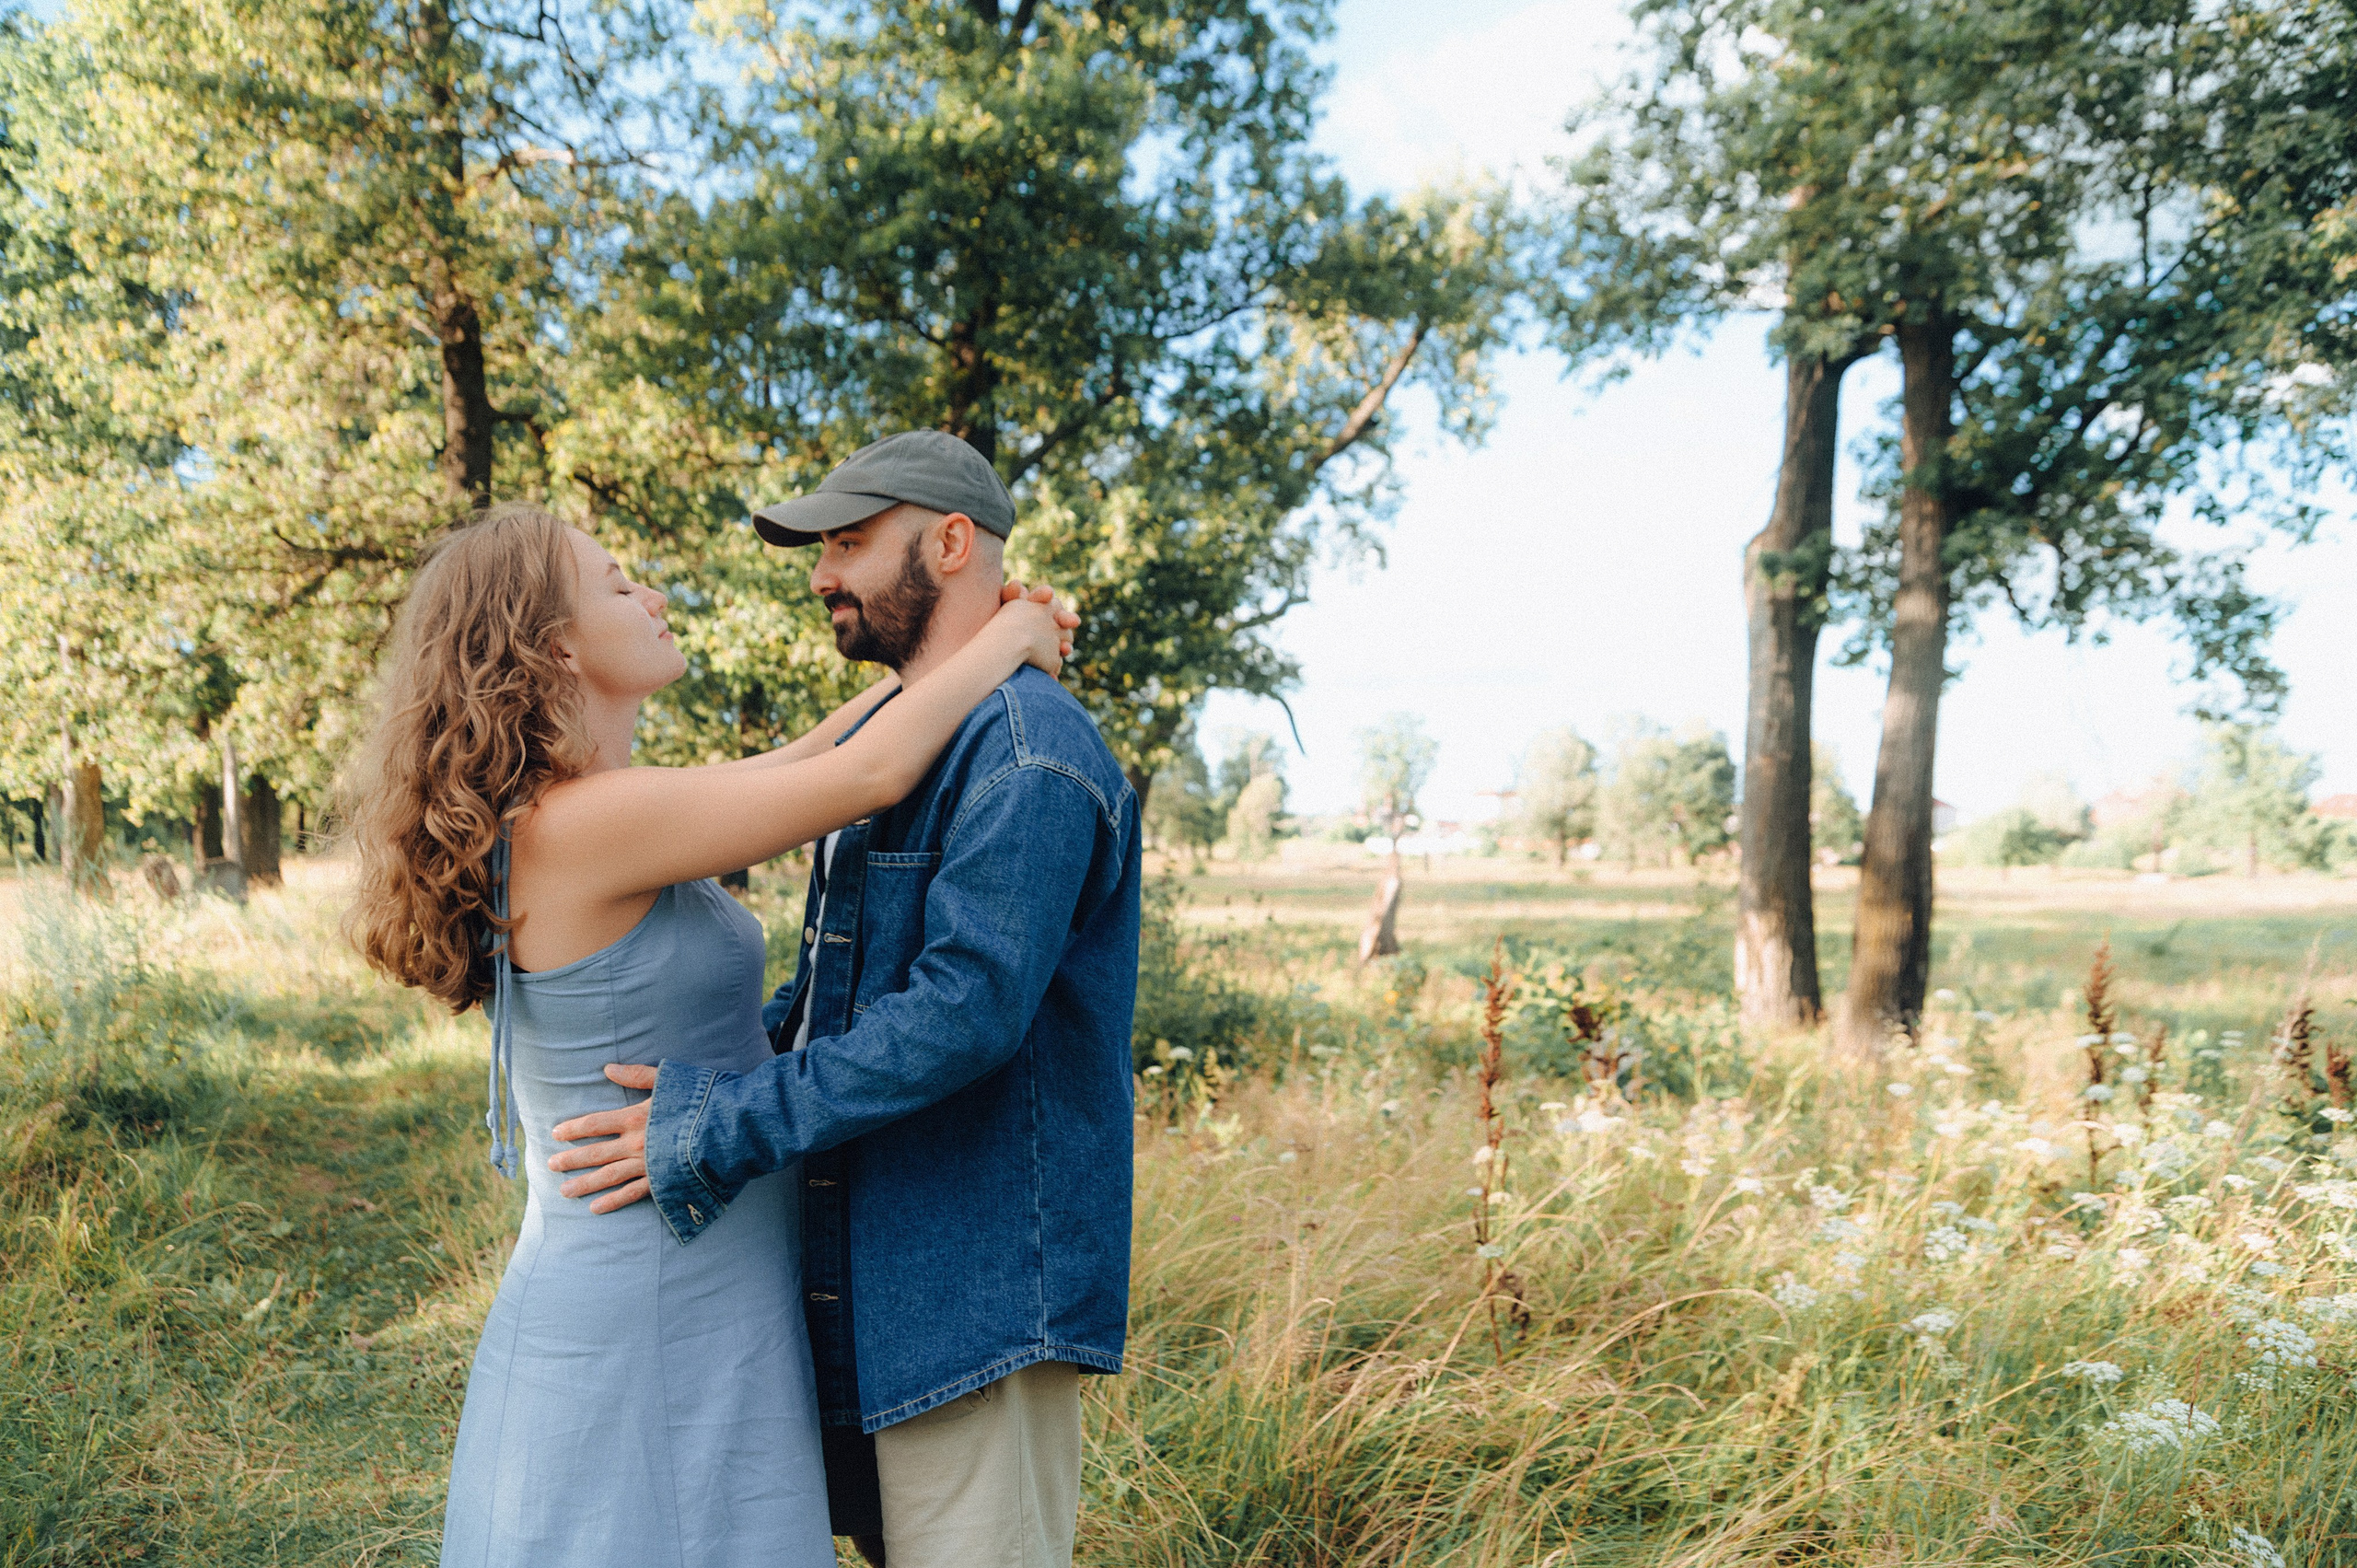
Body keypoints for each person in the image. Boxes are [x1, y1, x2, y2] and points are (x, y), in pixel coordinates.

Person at [337, 498, 1076, 1568]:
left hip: (694, 1270)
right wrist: (1009, 637)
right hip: (652, 1290)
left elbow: (813, 751)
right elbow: (862, 777)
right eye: (616, 582)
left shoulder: (595, 807)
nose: (654, 594)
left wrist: (943, 651)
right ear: (555, 644)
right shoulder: (579, 825)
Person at [547, 431, 1143, 1568]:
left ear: (952, 542)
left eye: (849, 544)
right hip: (872, 1281)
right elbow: (846, 989)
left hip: (972, 1293)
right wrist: (741, 1055)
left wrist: (721, 1118)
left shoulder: (1024, 750)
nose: (822, 575)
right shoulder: (908, 737)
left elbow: (961, 1011)